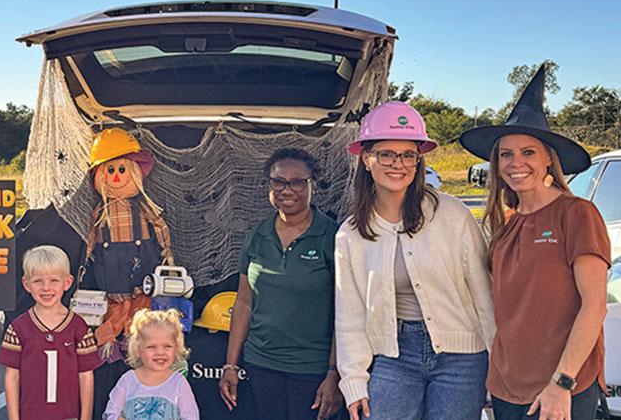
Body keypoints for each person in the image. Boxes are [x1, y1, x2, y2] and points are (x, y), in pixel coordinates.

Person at [459, 65, 609, 420]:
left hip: (561, 386)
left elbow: (594, 306)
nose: (516, 163)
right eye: (506, 154)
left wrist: (562, 382)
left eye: (528, 152)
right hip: (507, 385)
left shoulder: (576, 214)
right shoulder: (505, 225)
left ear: (548, 160)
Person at [335, 101, 495, 420]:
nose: (399, 164)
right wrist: (353, 381)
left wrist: (498, 362)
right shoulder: (350, 234)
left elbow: (485, 294)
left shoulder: (452, 215)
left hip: (462, 357)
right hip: (393, 355)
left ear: (418, 161)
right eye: (386, 154)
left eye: (408, 154)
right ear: (366, 159)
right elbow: (349, 316)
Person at [218, 148, 343, 420]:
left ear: (312, 185)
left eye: (298, 182)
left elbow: (344, 312)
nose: (288, 189)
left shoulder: (332, 236)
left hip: (312, 369)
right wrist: (230, 365)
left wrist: (334, 373)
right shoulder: (257, 235)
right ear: (269, 185)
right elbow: (244, 303)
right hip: (260, 364)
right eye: (279, 181)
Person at [0, 245, 101, 420]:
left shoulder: (78, 327)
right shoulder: (18, 328)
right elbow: (12, 377)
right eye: (38, 281)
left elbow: (86, 378)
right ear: (27, 284)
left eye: (54, 281)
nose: (46, 288)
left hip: (69, 415)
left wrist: (85, 418)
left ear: (67, 283)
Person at [104, 309, 199, 420]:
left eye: (167, 346)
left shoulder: (179, 383)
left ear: (177, 348)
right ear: (137, 349)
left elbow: (191, 417)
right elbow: (111, 413)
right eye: (151, 347)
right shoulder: (127, 380)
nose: (160, 352)